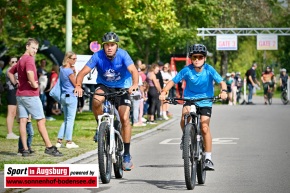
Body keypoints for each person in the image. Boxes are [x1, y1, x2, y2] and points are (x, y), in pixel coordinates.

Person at [74, 32, 139, 171]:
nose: (109, 47)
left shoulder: (123, 54)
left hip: (122, 87)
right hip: (105, 86)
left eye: (112, 45)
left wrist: (134, 85)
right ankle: (100, 127)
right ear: (103, 46)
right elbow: (82, 73)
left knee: (124, 118)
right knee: (96, 99)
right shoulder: (97, 56)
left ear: (116, 46)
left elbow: (134, 71)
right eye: (107, 45)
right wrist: (78, 86)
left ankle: (126, 154)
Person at [159, 44, 227, 171]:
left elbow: (221, 81)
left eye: (200, 57)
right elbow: (173, 81)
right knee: (185, 114)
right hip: (190, 99)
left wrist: (223, 91)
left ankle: (208, 158)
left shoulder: (209, 69)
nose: (197, 59)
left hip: (206, 101)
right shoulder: (187, 70)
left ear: (204, 58)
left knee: (205, 127)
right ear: (191, 58)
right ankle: (186, 136)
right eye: (194, 57)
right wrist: (164, 92)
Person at [8, 38, 63, 157]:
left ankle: (25, 149)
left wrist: (15, 83)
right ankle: (49, 147)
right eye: (33, 48)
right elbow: (29, 73)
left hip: (20, 95)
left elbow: (10, 72)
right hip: (30, 95)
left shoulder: (21, 59)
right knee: (41, 120)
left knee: (23, 121)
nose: (35, 51)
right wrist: (34, 84)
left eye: (36, 49)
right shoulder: (29, 59)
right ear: (27, 46)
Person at [55, 51, 79, 149]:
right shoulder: (69, 71)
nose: (75, 61)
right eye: (73, 59)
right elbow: (76, 84)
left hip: (64, 96)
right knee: (70, 120)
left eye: (76, 59)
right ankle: (69, 142)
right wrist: (75, 73)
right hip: (71, 96)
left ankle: (59, 141)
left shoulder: (61, 68)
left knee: (66, 120)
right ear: (68, 59)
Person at [5, 57, 20, 139]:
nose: (14, 62)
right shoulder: (9, 70)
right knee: (11, 113)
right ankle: (9, 133)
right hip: (11, 92)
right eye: (12, 61)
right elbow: (15, 82)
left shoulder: (17, 70)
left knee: (14, 113)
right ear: (9, 63)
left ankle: (12, 132)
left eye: (16, 61)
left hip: (16, 92)